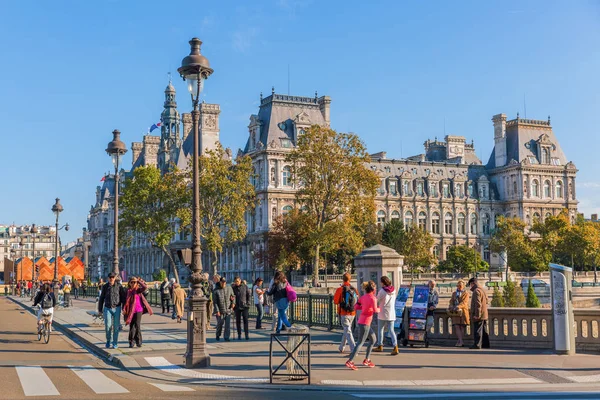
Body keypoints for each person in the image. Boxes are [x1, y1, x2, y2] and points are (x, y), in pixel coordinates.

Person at [346, 281, 380, 370]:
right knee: (360, 343)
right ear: (373, 289)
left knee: (373, 339)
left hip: (362, 321)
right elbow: (376, 310)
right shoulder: (373, 298)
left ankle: (367, 359)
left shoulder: (363, 297)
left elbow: (356, 307)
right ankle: (350, 361)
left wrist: (364, 307)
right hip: (366, 322)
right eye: (375, 288)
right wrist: (381, 309)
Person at [98, 272, 127, 349]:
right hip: (107, 308)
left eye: (113, 277)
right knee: (108, 326)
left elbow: (123, 298)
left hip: (117, 308)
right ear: (108, 278)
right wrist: (100, 309)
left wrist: (124, 308)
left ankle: (115, 342)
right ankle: (108, 340)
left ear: (115, 278)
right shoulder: (105, 287)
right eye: (110, 277)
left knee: (116, 326)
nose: (111, 279)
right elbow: (101, 298)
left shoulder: (119, 286)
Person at [123, 277, 153, 348]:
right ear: (129, 283)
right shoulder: (128, 291)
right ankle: (131, 341)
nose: (133, 284)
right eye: (131, 282)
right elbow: (125, 302)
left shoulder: (138, 290)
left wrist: (139, 281)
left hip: (138, 310)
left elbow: (145, 287)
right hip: (131, 311)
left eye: (134, 282)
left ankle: (139, 341)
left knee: (137, 325)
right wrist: (124, 309)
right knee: (132, 326)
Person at [333, 272, 358, 354]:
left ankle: (353, 348)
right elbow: (358, 299)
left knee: (347, 331)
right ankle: (341, 347)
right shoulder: (354, 289)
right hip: (353, 312)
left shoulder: (340, 289)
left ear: (342, 279)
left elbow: (336, 301)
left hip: (343, 312)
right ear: (350, 279)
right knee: (347, 330)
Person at [374, 276, 398, 355]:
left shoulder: (382, 291)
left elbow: (377, 300)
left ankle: (380, 345)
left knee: (380, 329)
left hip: (383, 312)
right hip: (391, 312)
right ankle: (395, 346)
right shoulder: (393, 290)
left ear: (383, 282)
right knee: (391, 330)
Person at [469, 277, 490, 349]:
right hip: (484, 314)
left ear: (473, 283)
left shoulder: (476, 291)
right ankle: (485, 344)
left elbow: (478, 304)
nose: (470, 287)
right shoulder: (482, 290)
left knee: (477, 330)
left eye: (470, 285)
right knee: (484, 330)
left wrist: (477, 315)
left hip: (479, 314)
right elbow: (486, 301)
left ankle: (477, 344)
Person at [213, 277, 234, 341]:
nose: (224, 284)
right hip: (220, 310)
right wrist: (217, 311)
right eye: (222, 282)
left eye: (225, 282)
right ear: (220, 282)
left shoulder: (229, 288)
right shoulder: (216, 290)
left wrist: (233, 302)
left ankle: (226, 337)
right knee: (220, 323)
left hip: (228, 309)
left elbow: (233, 296)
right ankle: (218, 334)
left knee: (227, 325)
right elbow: (215, 302)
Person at [450, 280, 470, 347]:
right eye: (458, 285)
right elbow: (451, 301)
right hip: (456, 312)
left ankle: (460, 341)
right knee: (456, 326)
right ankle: (461, 341)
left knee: (462, 327)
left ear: (463, 286)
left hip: (463, 312)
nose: (459, 287)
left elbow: (465, 302)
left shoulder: (466, 293)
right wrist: (451, 306)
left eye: (460, 286)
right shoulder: (454, 293)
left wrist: (458, 306)